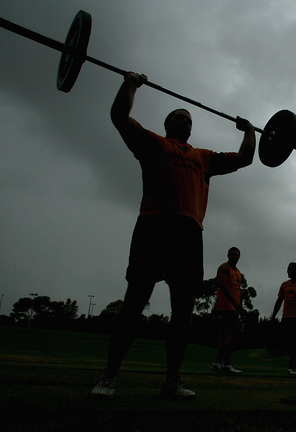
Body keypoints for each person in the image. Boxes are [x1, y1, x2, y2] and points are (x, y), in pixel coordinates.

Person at [90, 72, 256, 400]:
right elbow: (118, 117)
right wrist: (130, 85)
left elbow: (247, 157)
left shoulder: (204, 157)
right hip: (153, 226)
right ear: (167, 125)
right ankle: (109, 376)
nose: (183, 120)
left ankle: (172, 380)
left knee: (183, 309)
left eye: (187, 118)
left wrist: (250, 131)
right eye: (177, 117)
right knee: (134, 302)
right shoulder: (153, 144)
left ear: (191, 128)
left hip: (189, 233)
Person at [271, 262, 296, 375]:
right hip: (286, 316)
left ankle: (291, 367)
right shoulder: (284, 285)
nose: (287, 271)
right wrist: (274, 315)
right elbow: (279, 301)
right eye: (287, 269)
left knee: (294, 341)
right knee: (281, 340)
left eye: (290, 269)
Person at [212, 247, 247, 375]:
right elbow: (223, 286)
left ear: (239, 256)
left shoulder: (237, 272)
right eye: (232, 254)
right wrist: (235, 304)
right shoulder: (224, 268)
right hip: (226, 305)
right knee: (234, 332)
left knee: (227, 333)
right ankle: (226, 363)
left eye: (236, 255)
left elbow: (239, 289)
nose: (234, 257)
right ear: (228, 255)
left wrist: (240, 306)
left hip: (234, 306)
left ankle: (217, 362)